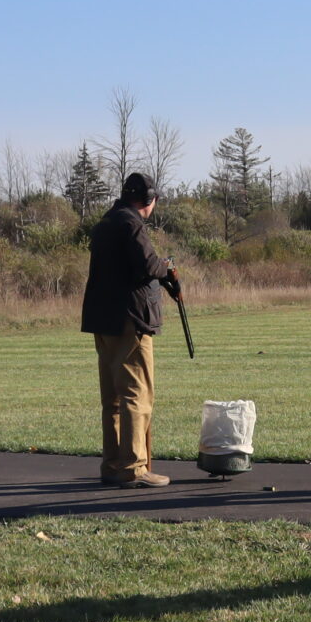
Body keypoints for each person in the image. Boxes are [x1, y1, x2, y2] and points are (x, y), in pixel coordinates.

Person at [80, 172, 178, 488]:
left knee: (113, 397)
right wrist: (167, 267)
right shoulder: (131, 224)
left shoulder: (107, 222)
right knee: (137, 394)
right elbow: (148, 266)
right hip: (128, 321)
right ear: (149, 200)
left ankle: (112, 464)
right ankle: (135, 466)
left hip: (102, 320)